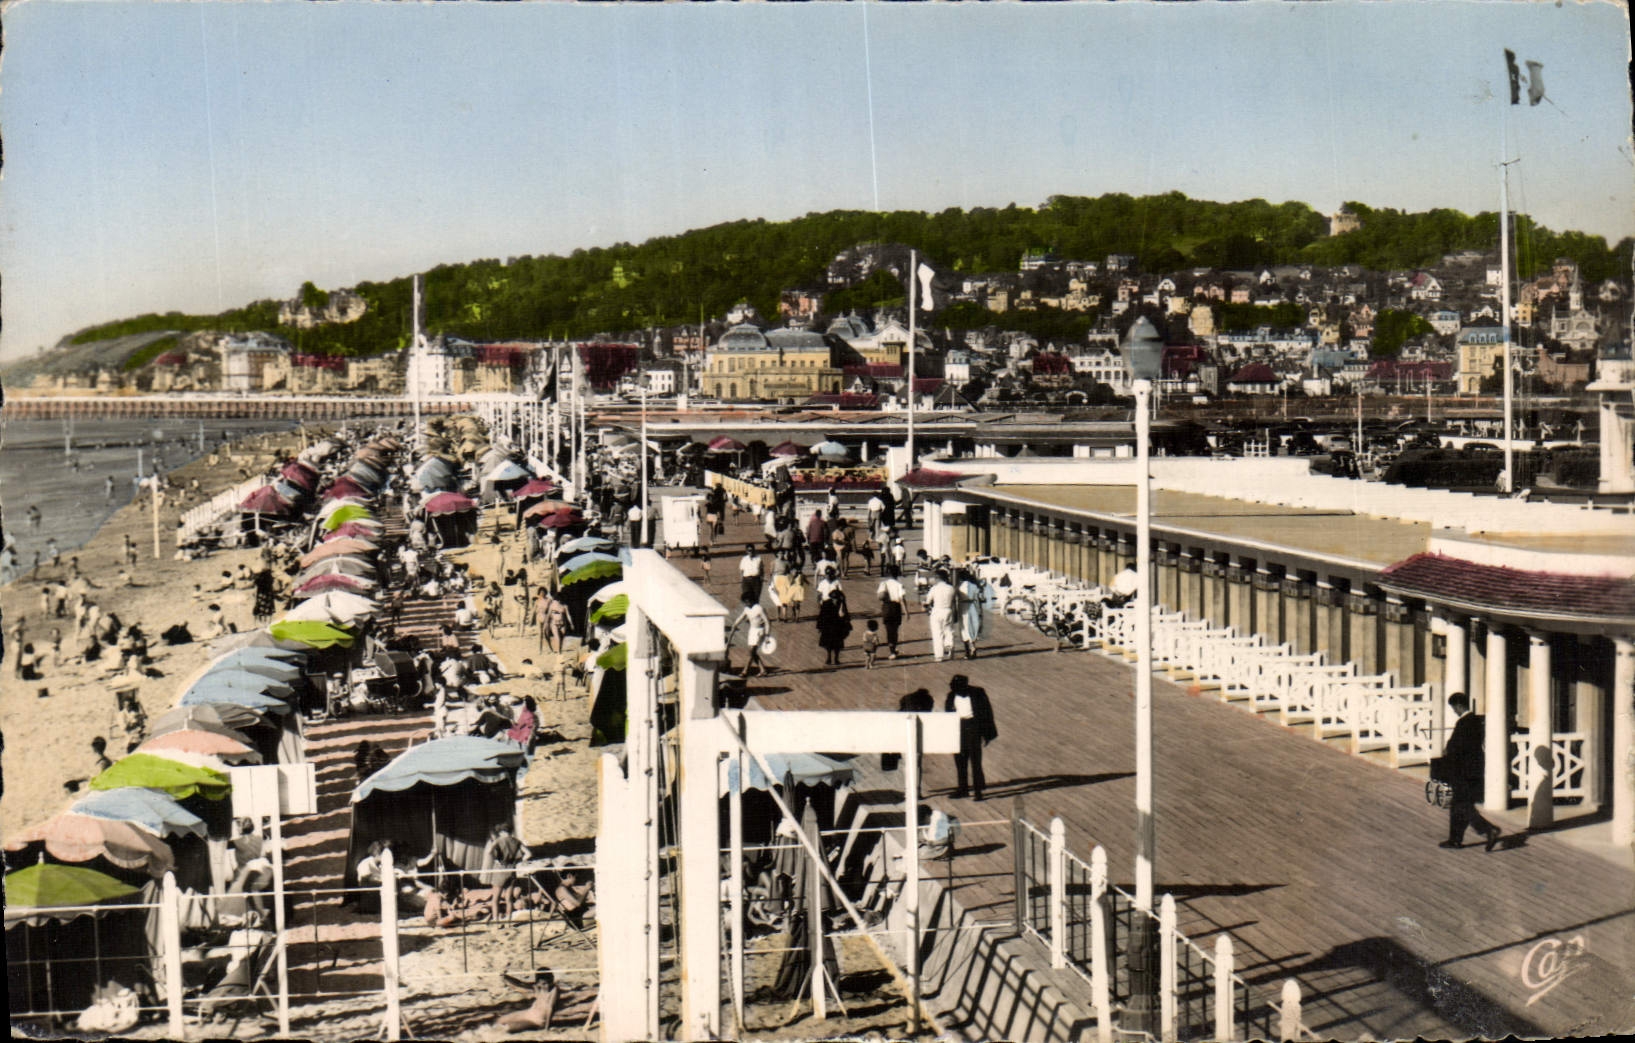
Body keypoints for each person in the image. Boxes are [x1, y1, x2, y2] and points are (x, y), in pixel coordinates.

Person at [1436, 692, 1502, 851]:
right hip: (1474, 771)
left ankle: (1488, 830)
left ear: (1459, 706)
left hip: (1463, 773)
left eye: (1454, 708)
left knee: (1463, 806)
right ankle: (1455, 840)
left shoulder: (1464, 723)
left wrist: (1447, 751)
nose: (1454, 711)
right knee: (1459, 805)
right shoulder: (1476, 721)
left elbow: (1457, 747)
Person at [946, 674, 997, 801]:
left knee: (975, 761)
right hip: (959, 727)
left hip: (974, 726)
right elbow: (947, 714)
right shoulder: (951, 696)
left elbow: (987, 713)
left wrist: (987, 734)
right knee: (960, 760)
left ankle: (978, 791)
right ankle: (962, 788)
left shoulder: (977, 693)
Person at [924, 570, 957, 662]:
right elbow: (954, 602)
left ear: (938, 578)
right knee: (948, 630)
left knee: (937, 633)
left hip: (937, 611)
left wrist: (926, 608)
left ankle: (939, 655)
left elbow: (927, 602)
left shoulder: (934, 589)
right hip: (948, 610)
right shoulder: (951, 588)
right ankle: (949, 645)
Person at [956, 569, 988, 660]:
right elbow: (981, 598)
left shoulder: (958, 586)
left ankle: (967, 652)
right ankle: (973, 647)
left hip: (963, 607)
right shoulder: (974, 586)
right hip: (973, 607)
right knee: (972, 627)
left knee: (964, 628)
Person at [815, 588, 851, 667]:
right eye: (834, 598)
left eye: (836, 598)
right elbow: (821, 616)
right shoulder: (826, 604)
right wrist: (820, 627)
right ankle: (829, 657)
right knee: (828, 645)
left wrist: (847, 625)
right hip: (828, 627)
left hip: (838, 627)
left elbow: (846, 615)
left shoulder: (842, 603)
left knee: (837, 645)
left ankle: (836, 658)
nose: (835, 600)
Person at [877, 567, 907, 659]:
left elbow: (880, 596)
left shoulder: (883, 583)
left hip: (886, 607)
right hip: (896, 607)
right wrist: (906, 612)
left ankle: (892, 650)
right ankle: (893, 648)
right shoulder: (899, 584)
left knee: (888, 630)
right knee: (895, 630)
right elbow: (902, 599)